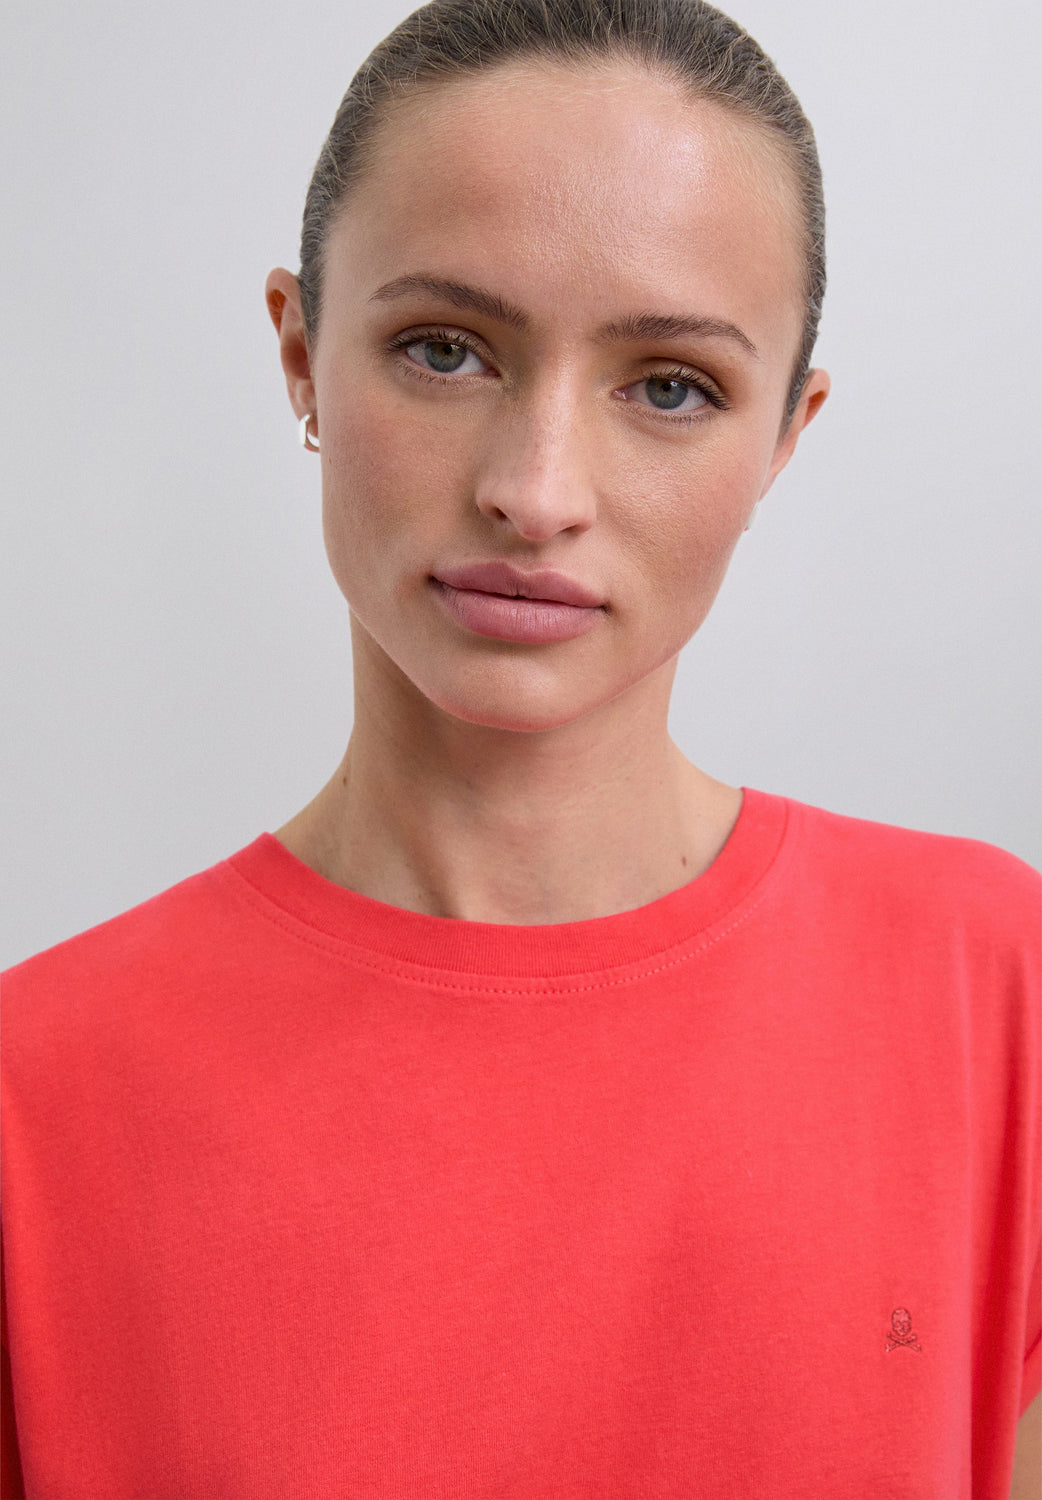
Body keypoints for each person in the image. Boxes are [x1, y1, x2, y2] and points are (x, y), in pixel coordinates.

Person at [2, 0, 1038, 1494]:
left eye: (669, 386)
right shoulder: (31, 1098)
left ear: (784, 437)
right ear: (300, 355)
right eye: (444, 351)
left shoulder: (994, 992)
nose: (537, 492)